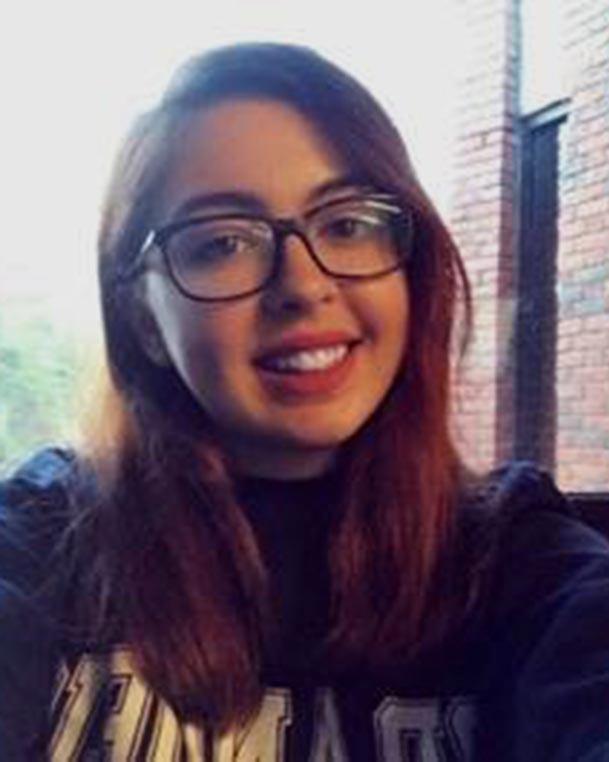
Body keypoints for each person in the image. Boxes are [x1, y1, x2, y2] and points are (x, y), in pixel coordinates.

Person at [1, 42, 609, 762]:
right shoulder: (47, 534)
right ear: (144, 319)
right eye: (223, 242)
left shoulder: (517, 558)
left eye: (347, 224)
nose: (302, 285)